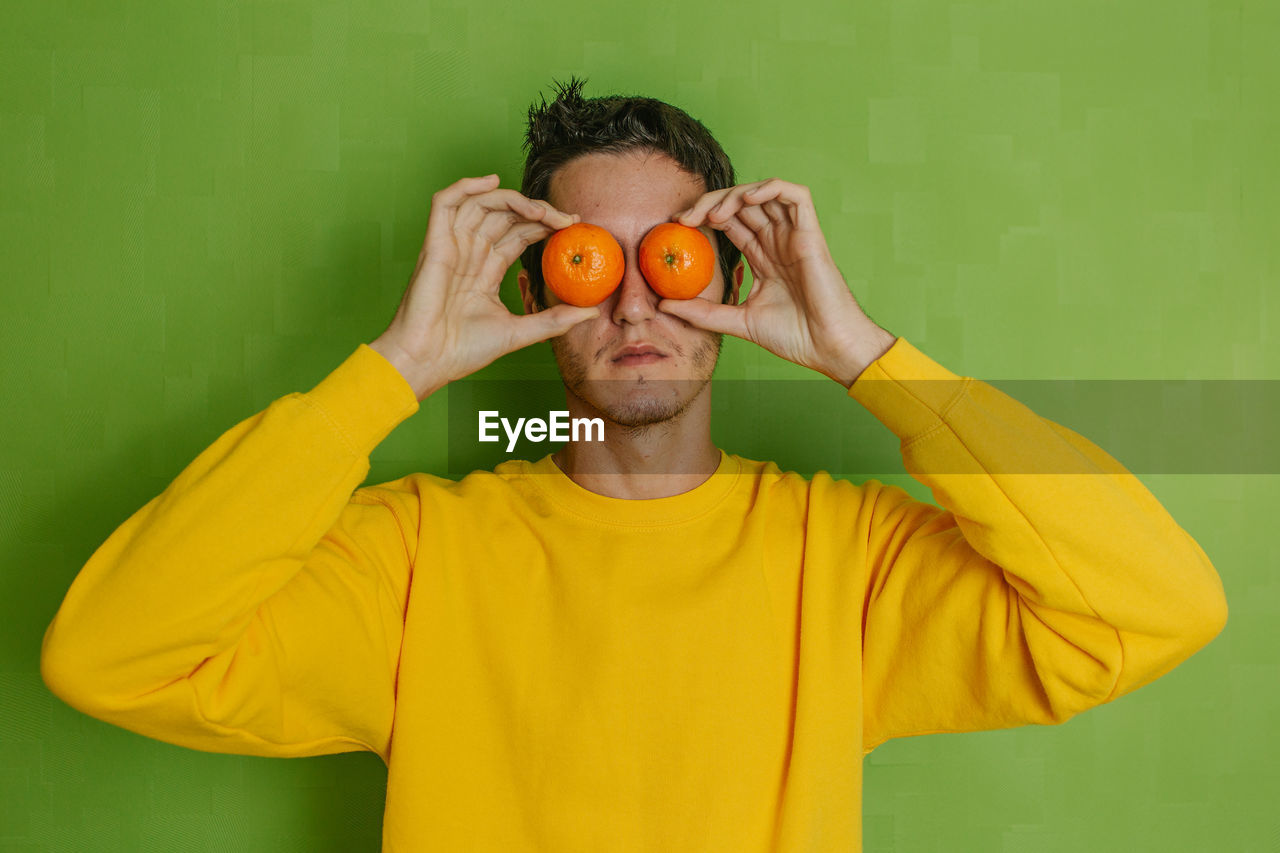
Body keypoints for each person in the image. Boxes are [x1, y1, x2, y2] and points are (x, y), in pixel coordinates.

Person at [40, 77, 1228, 851]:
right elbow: (111, 655)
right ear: (531, 298)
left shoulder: (841, 557)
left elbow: (1154, 607)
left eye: (668, 257)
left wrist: (869, 359)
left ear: (728, 278)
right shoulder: (417, 553)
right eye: (585, 268)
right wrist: (391, 371)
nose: (634, 303)